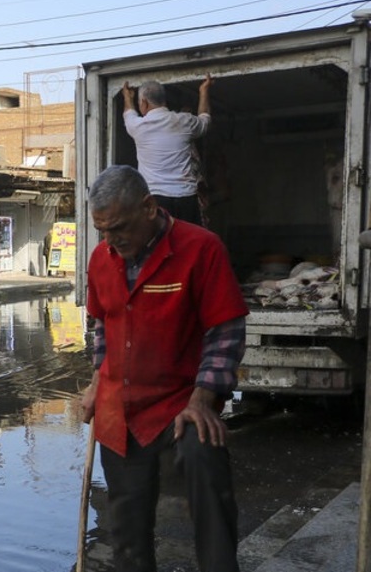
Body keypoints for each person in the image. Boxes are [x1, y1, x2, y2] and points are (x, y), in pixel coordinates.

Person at [81, 165, 248, 572]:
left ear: (149, 207)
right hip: (121, 407)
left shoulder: (200, 248)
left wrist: (203, 398)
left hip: (181, 402)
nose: (110, 241)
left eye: (119, 228)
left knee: (204, 458)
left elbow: (225, 331)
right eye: (102, 231)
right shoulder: (102, 258)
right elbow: (102, 324)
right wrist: (94, 382)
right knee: (127, 534)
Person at [122, 75, 213, 225]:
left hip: (155, 202)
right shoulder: (185, 121)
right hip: (186, 199)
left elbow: (128, 113)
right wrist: (204, 91)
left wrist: (127, 97)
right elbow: (205, 120)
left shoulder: (137, 127)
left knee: (158, 246)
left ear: (143, 103)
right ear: (164, 100)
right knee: (187, 245)